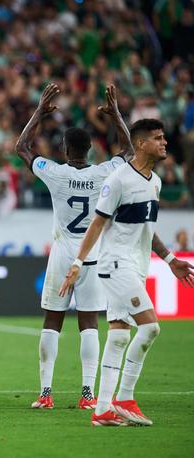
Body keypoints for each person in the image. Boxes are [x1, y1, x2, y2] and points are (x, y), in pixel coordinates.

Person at [59, 118, 194, 426]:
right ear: (142, 143)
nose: (165, 143)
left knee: (119, 335)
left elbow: (149, 228)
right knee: (150, 328)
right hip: (115, 264)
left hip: (137, 265)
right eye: (158, 138)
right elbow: (97, 223)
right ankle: (125, 397)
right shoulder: (118, 180)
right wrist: (78, 264)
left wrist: (170, 259)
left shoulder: (155, 182)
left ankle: (103, 409)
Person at [15, 83, 133, 410]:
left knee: (52, 321)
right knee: (90, 324)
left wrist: (39, 110)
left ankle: (46, 393)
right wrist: (116, 115)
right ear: (91, 149)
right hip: (93, 256)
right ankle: (87, 395)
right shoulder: (104, 174)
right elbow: (129, 152)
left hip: (63, 255)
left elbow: (21, 146)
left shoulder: (54, 173)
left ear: (65, 149)